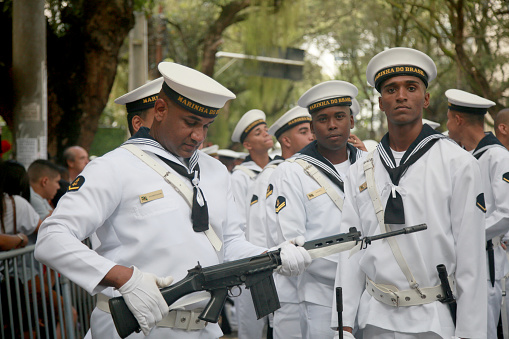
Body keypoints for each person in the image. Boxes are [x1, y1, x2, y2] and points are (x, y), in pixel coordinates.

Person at [34, 61, 311, 339]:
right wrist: (123, 277)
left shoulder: (214, 171)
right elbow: (52, 237)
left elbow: (229, 243)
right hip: (136, 328)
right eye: (190, 123)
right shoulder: (113, 167)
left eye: (206, 125)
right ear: (161, 110)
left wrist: (271, 256)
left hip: (204, 327)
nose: (198, 136)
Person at [336, 47, 486, 339]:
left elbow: (471, 260)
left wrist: (470, 333)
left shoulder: (458, 164)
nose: (401, 95)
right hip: (374, 317)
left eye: (411, 87)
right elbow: (351, 251)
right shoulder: (361, 169)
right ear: (381, 102)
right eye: (391, 89)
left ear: (426, 99)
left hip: (433, 319)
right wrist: (343, 324)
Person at [266, 80, 364, 339]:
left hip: (374, 293)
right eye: (322, 119)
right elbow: (291, 241)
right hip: (323, 295)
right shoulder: (292, 171)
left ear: (351, 121)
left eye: (339, 117)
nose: (332, 124)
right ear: (312, 128)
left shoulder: (370, 163)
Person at [445, 88, 509, 339]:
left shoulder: (498, 157)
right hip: (460, 260)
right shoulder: (465, 157)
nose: (447, 126)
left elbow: (506, 211)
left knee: (481, 331)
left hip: (485, 262)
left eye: (449, 119)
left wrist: (465, 234)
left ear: (458, 119)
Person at [230, 109, 275, 339]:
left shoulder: (279, 168)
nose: (266, 134)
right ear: (248, 144)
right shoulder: (241, 176)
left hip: (276, 258)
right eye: (259, 132)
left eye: (266, 129)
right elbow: (237, 222)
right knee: (252, 327)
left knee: (280, 326)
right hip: (251, 261)